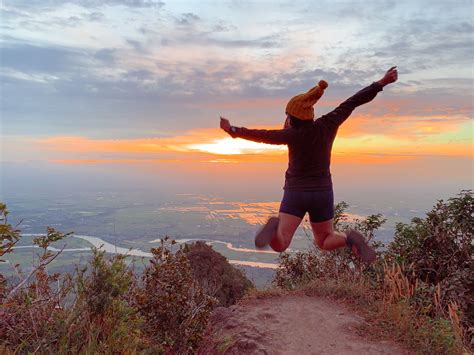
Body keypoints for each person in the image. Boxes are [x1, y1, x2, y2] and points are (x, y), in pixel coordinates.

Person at [219, 66, 398, 263]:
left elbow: (263, 136)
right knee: (324, 240)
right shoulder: (328, 124)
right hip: (322, 192)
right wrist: (381, 82)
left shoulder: (291, 135)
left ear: (291, 118)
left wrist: (233, 129)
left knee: (281, 242)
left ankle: (274, 230)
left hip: (296, 193)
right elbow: (353, 102)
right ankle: (348, 240)